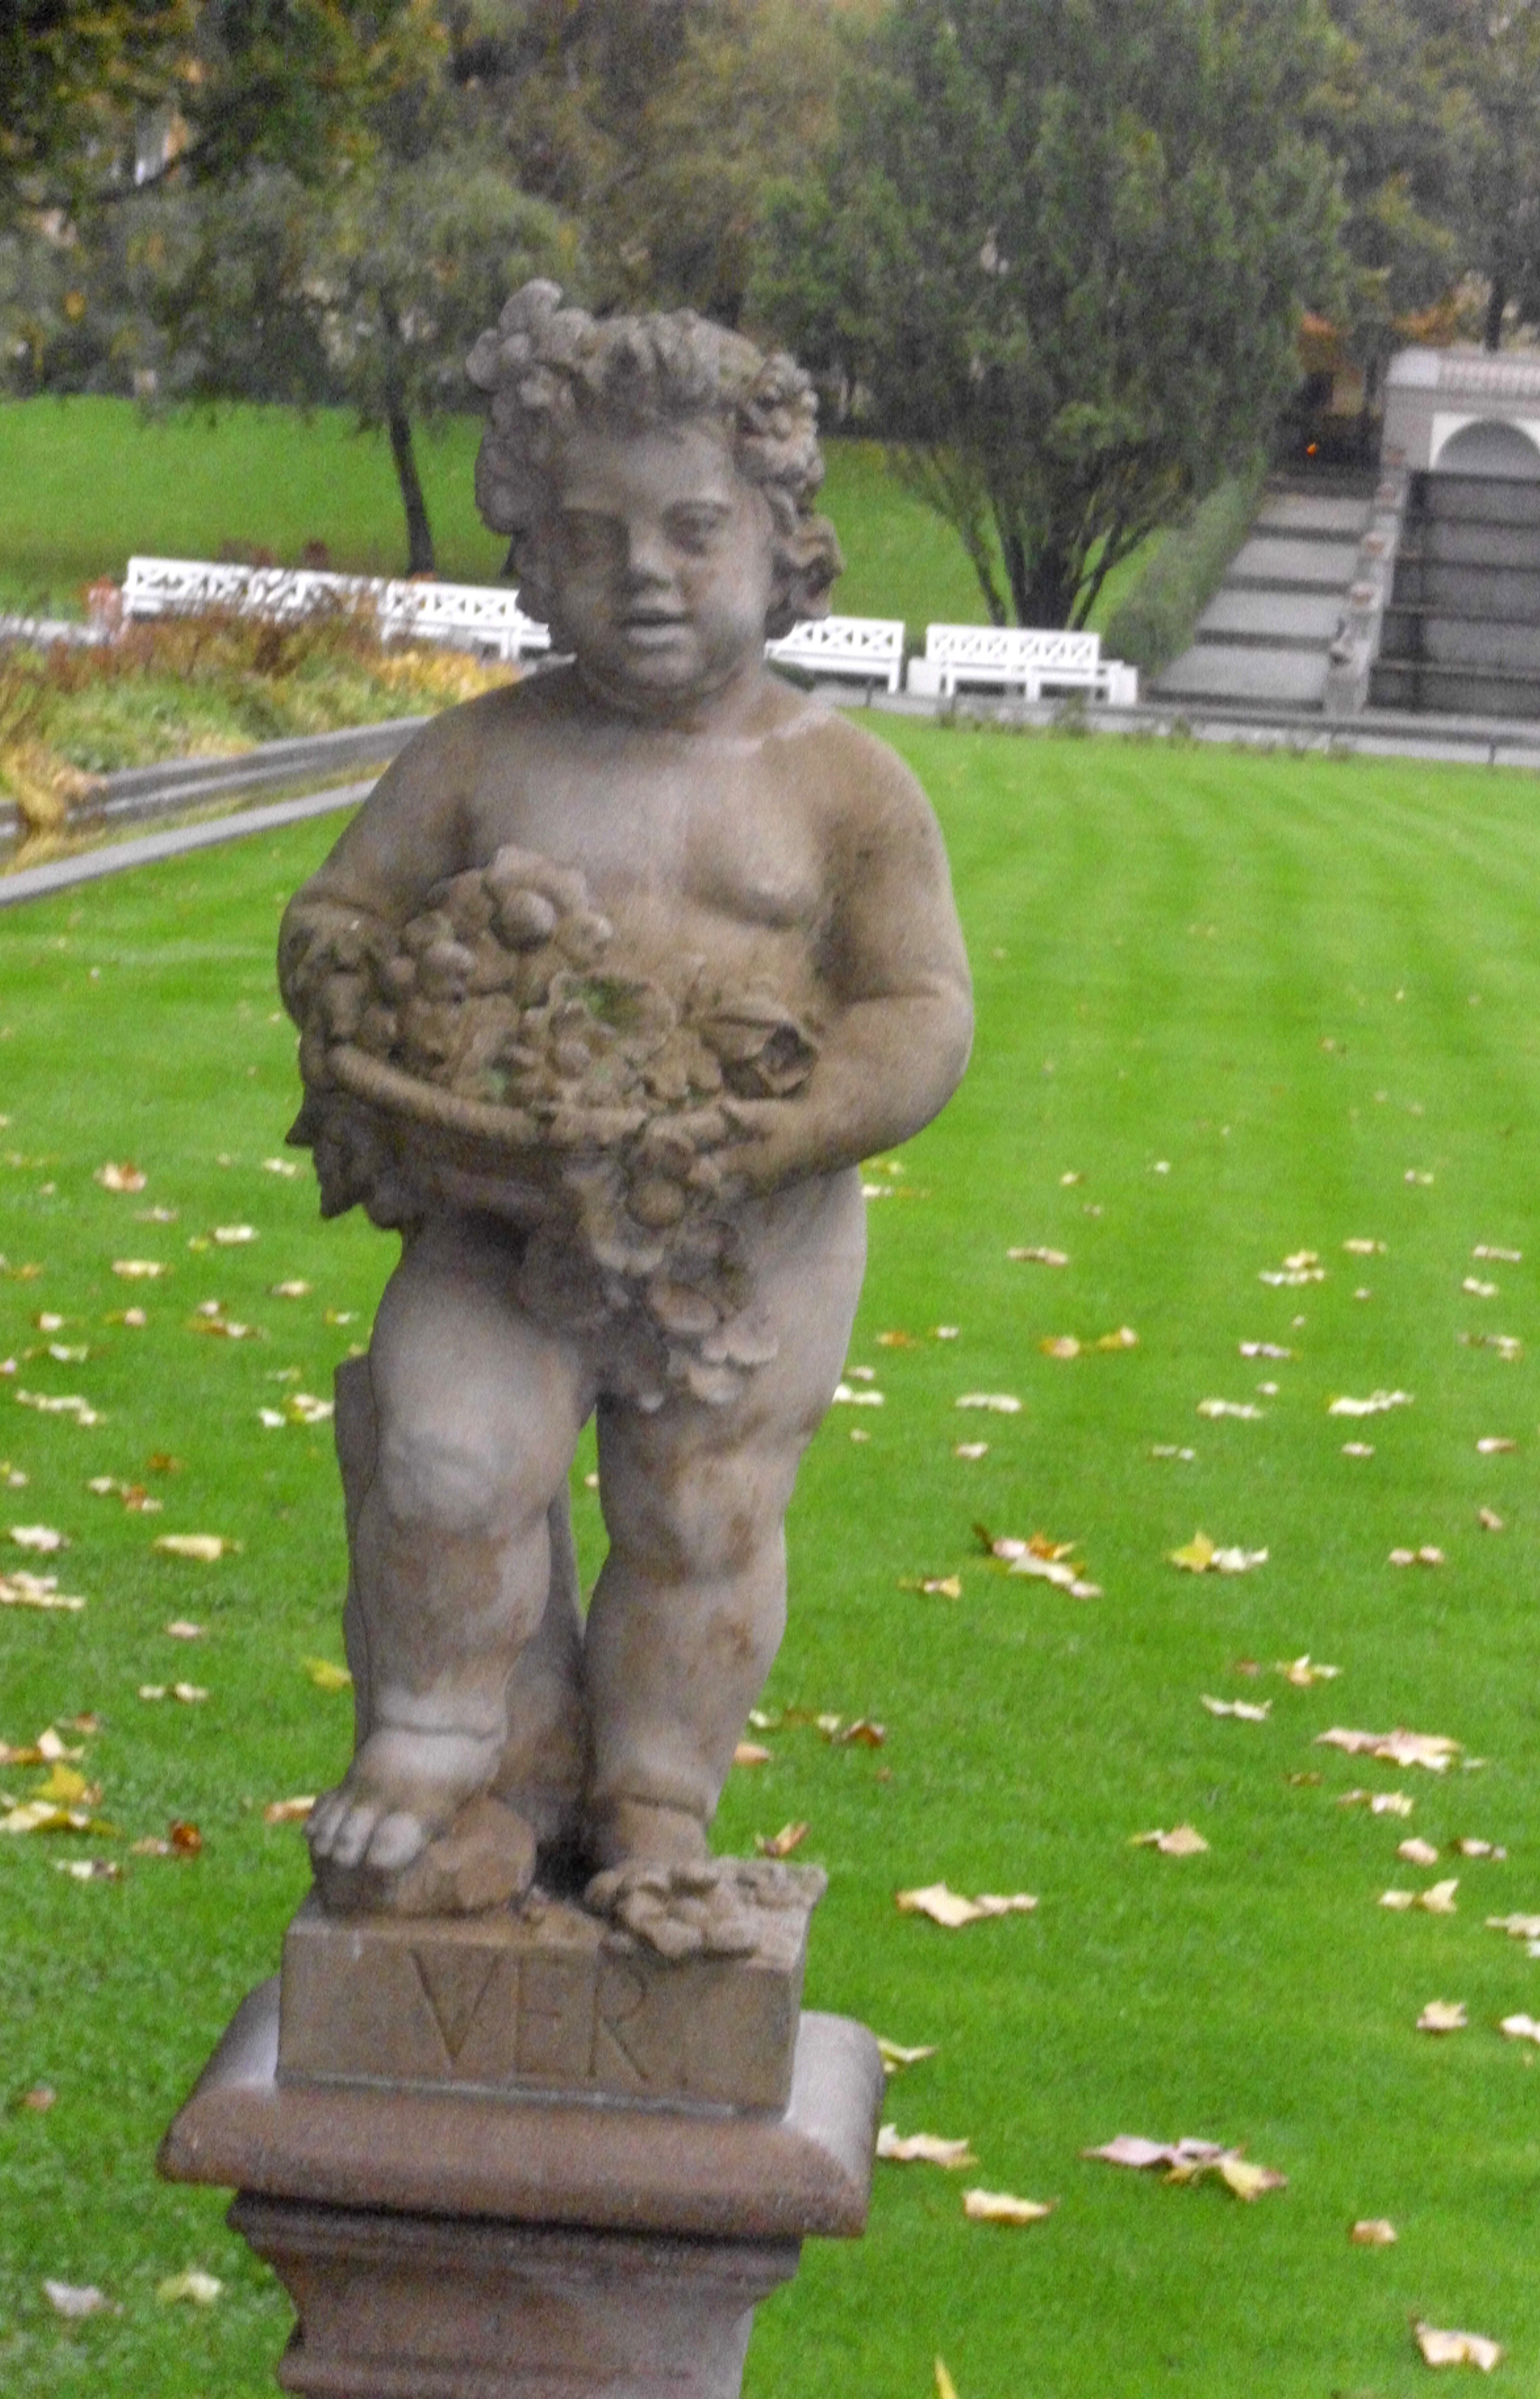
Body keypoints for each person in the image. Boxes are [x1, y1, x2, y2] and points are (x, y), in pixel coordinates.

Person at [279, 284, 973, 1920]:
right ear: (537, 552)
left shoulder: (841, 785)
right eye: (593, 538)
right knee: (446, 1459)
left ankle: (656, 1795)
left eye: (690, 530)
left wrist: (784, 1131)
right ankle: (449, 1746)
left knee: (699, 1515)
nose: (642, 572)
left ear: (780, 540)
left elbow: (921, 1015)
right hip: (498, 1211)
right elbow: (341, 912)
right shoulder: (477, 755)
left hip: (750, 1234)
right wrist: (349, 985)